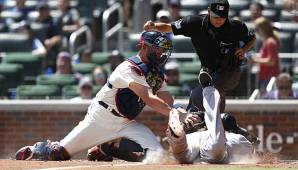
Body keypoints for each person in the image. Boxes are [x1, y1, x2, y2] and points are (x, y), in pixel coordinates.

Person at [14, 31, 199, 162]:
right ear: (144, 47)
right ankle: (36, 150)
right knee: (59, 153)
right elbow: (150, 99)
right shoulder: (128, 68)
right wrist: (175, 113)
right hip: (101, 118)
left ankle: (105, 149)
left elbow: (167, 98)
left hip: (127, 123)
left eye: (162, 49)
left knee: (156, 156)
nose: (161, 53)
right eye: (157, 49)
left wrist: (178, 112)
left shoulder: (156, 73)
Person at [144, 0, 256, 113]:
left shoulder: (235, 26)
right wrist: (154, 26)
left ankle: (189, 122)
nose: (218, 20)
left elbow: (252, 39)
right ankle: (220, 122)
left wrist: (243, 50)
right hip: (209, 71)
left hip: (230, 71)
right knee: (214, 96)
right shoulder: (194, 23)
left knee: (198, 95)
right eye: (215, 16)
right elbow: (169, 27)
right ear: (209, 11)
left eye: (222, 17)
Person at [165, 72, 258, 164]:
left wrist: (249, 138)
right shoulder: (190, 112)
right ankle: (177, 140)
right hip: (193, 141)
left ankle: (178, 142)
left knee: (220, 144)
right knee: (184, 152)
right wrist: (182, 115)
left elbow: (240, 131)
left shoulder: (222, 119)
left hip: (218, 143)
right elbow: (175, 107)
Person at [250, 17, 280, 95]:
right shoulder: (267, 41)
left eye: (257, 28)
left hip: (269, 78)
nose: (256, 31)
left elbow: (271, 61)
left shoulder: (270, 42)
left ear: (263, 28)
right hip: (265, 77)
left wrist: (255, 60)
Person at [36, 2, 61, 72]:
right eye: (41, 10)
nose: (42, 12)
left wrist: (50, 41)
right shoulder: (35, 21)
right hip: (37, 45)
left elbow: (58, 37)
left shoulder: (53, 22)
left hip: (49, 47)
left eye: (44, 10)